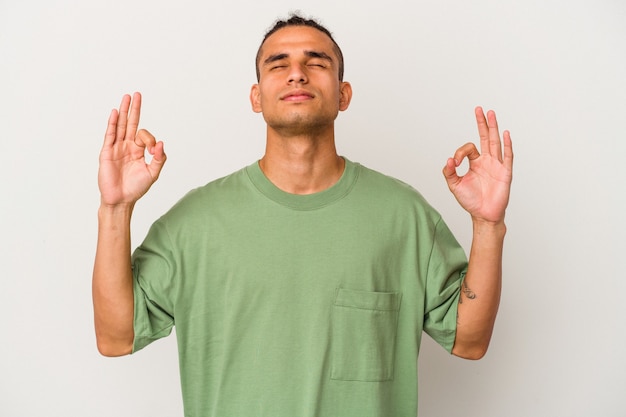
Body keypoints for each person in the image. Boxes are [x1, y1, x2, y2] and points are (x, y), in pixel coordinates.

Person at [93, 13, 513, 417]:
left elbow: (469, 341)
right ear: (256, 97)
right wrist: (115, 209)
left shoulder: (404, 216)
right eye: (279, 65)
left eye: (316, 62)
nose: (298, 73)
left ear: (343, 93)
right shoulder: (193, 223)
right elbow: (115, 336)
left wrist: (488, 225)